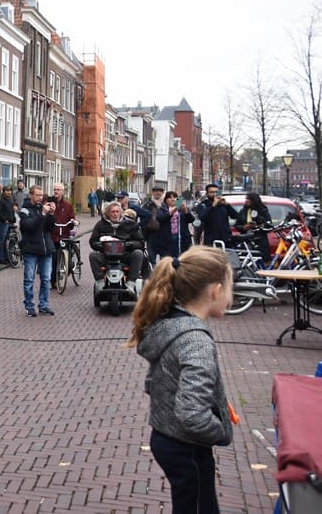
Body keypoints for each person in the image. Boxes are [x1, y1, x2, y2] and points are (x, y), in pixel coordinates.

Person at [126, 247, 234, 514]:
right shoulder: (195, 340)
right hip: (188, 448)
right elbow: (192, 414)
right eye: (231, 288)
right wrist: (220, 430)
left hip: (167, 437)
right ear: (216, 291)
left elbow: (157, 381)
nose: (232, 296)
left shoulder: (170, 324)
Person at [19, 185, 56, 317]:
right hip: (31, 249)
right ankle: (29, 306)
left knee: (46, 279)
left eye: (41, 195)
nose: (40, 198)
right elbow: (29, 226)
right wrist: (42, 215)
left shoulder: (43, 208)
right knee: (29, 279)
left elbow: (50, 228)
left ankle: (43, 305)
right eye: (37, 195)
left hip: (46, 249)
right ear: (31, 195)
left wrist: (51, 214)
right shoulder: (24, 210)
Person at [89, 201, 147, 284]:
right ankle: (100, 281)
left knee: (138, 253)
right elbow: (93, 241)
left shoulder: (130, 224)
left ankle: (131, 281)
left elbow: (141, 242)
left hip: (125, 255)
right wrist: (101, 245)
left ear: (121, 212)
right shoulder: (100, 225)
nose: (115, 214)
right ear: (108, 213)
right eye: (112, 212)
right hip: (106, 256)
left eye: (117, 211)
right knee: (93, 255)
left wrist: (129, 244)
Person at [48, 183, 78, 289]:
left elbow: (72, 217)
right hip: (53, 235)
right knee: (53, 259)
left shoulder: (67, 206)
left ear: (62, 191)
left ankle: (66, 271)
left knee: (68, 260)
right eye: (55, 189)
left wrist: (74, 222)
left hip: (64, 235)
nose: (56, 191)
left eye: (58, 189)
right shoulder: (49, 204)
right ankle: (53, 281)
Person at [155, 191, 194, 260]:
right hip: (167, 239)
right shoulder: (162, 209)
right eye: (170, 198)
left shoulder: (182, 209)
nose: (172, 199)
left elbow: (191, 220)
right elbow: (160, 218)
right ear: (166, 200)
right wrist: (173, 210)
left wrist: (186, 211)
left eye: (174, 197)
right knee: (167, 260)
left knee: (181, 259)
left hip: (181, 238)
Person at [234, 191, 272, 261]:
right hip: (246, 240)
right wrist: (243, 227)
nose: (246, 201)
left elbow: (269, 225)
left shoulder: (263, 211)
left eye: (249, 199)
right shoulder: (243, 211)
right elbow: (237, 225)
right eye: (246, 199)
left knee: (261, 260)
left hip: (259, 240)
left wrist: (258, 225)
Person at [0, 185, 17, 264]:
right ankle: (1, 258)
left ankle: (7, 257)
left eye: (10, 191)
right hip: (3, 224)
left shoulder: (11, 200)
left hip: (10, 223)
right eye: (7, 191)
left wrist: (13, 219)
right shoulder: (1, 201)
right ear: (3, 192)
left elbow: (12, 211)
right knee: (2, 241)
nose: (9, 192)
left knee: (7, 241)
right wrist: (4, 220)